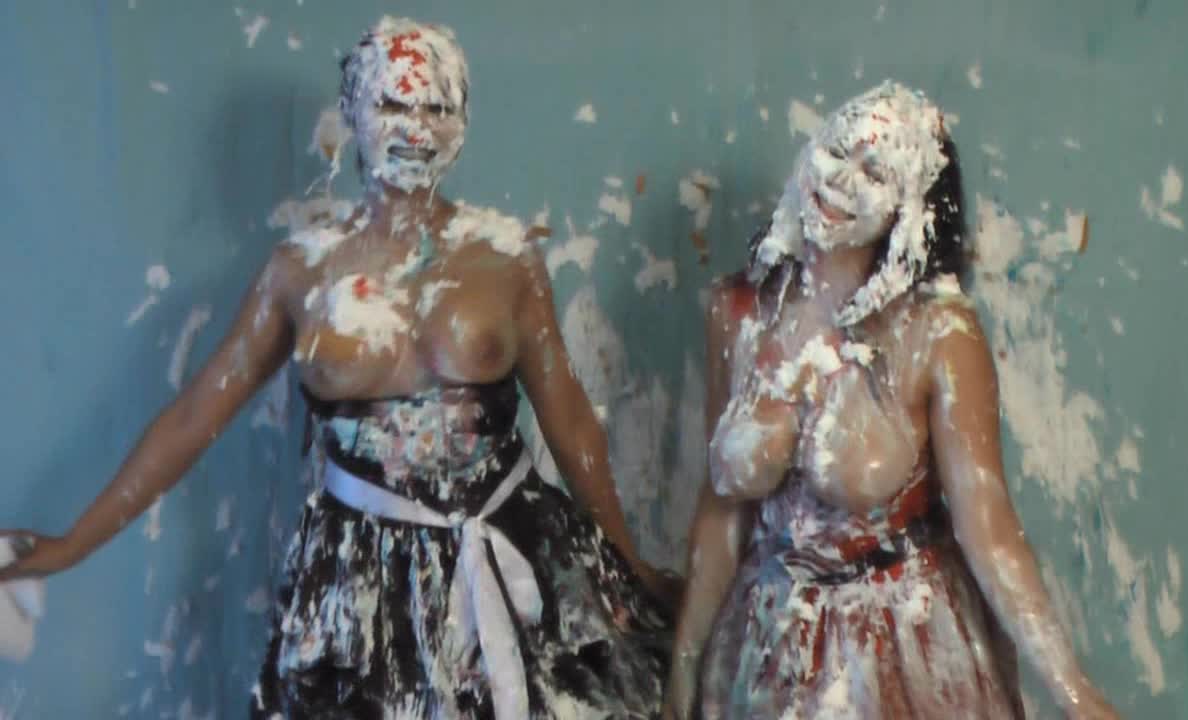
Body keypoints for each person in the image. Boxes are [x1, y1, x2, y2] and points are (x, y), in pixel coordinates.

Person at [0, 17, 677, 719]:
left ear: (462, 121)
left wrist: (630, 564)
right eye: (393, 104)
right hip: (359, 583)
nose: (416, 127)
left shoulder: (508, 258)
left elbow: (569, 420)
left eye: (436, 107)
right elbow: (194, 416)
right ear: (353, 112)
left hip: (512, 552)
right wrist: (72, 544)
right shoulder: (301, 270)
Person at [664, 81, 1119, 719]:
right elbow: (721, 513)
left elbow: (989, 530)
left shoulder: (940, 333)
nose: (839, 180)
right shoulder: (737, 311)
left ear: (908, 209)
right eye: (835, 151)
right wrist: (685, 664)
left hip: (901, 651)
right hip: (763, 652)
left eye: (873, 172)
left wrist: (1075, 692)